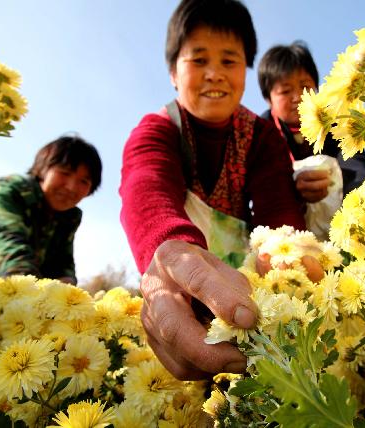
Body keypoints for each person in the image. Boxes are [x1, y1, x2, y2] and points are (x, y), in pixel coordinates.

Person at [120, 0, 320, 380]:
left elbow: (277, 209)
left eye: (229, 61)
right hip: (178, 286)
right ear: (173, 73)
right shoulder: (157, 130)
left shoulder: (261, 137)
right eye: (198, 60)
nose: (214, 74)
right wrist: (170, 251)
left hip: (247, 281)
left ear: (245, 70)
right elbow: (145, 190)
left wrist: (285, 266)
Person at [0, 135, 102, 284]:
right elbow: (3, 246)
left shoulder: (69, 217)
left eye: (83, 181)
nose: (71, 187)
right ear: (42, 170)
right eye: (65, 173)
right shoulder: (8, 192)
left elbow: (61, 266)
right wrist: (30, 295)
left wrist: (68, 297)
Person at [258, 41, 365, 198]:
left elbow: (357, 168)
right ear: (268, 99)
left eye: (305, 87)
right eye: (285, 91)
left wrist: (356, 204)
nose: (298, 97)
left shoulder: (338, 120)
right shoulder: (259, 134)